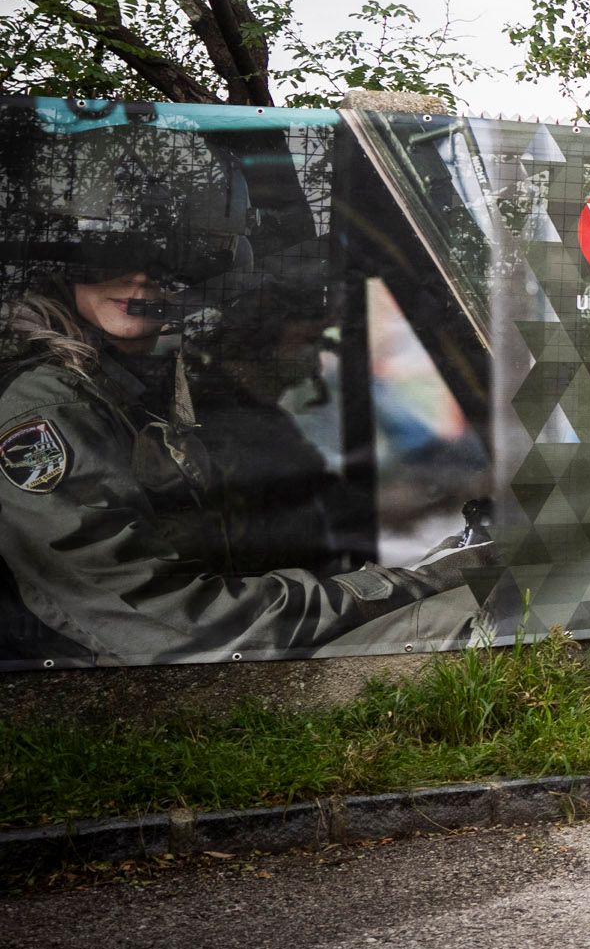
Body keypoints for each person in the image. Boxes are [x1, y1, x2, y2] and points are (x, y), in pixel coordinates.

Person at [0, 250, 494, 666]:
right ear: (63, 274)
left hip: (215, 649)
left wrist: (435, 565)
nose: (142, 280)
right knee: (488, 622)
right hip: (140, 681)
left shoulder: (130, 393)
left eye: (165, 266)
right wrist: (410, 582)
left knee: (498, 594)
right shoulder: (48, 408)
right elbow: (160, 621)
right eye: (113, 258)